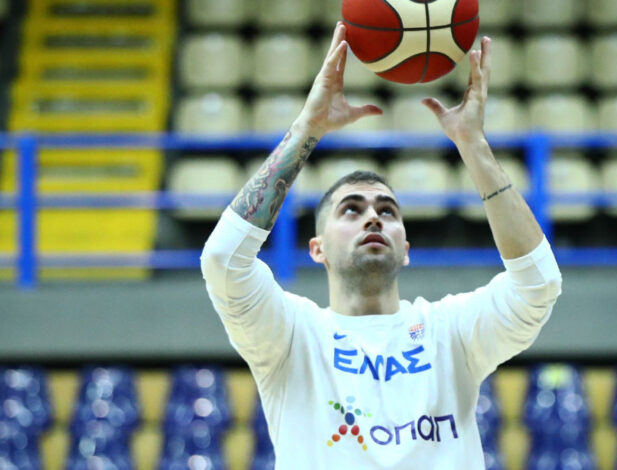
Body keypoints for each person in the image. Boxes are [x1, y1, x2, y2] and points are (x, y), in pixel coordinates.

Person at [201, 22, 562, 470]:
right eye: (351, 210)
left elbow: (538, 284)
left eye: (387, 211)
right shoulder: (291, 335)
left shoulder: (449, 332)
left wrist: (473, 144)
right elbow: (223, 260)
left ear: (405, 248)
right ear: (317, 249)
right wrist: (306, 128)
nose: (373, 217)